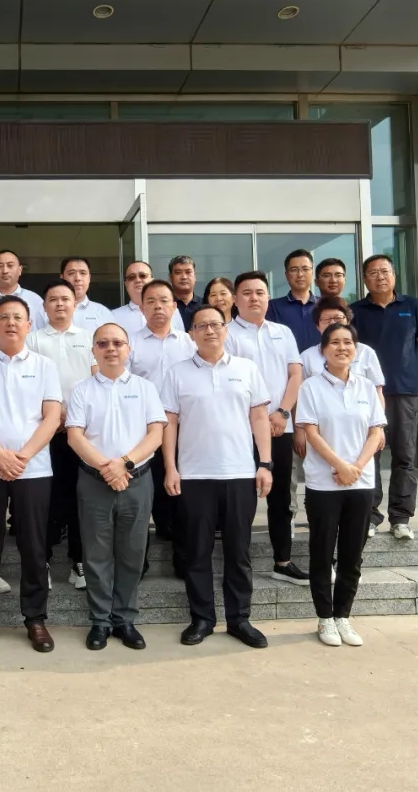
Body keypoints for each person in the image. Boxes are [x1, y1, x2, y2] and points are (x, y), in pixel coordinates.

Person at [162, 304, 274, 649]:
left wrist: (265, 463)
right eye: (202, 326)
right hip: (194, 475)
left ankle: (239, 619)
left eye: (216, 324)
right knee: (196, 551)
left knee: (239, 552)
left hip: (239, 473)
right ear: (191, 333)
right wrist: (171, 467)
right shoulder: (177, 372)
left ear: (226, 329)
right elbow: (169, 423)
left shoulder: (246, 368)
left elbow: (259, 418)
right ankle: (202, 618)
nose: (210, 331)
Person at [0, 295, 62, 654]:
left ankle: (35, 619)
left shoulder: (45, 366)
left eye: (18, 317)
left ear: (29, 325)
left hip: (33, 469)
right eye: (3, 317)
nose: (11, 323)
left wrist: (22, 456)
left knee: (34, 546)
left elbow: (52, 416)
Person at [66, 322, 165, 651]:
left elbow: (156, 434)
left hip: (136, 480)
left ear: (128, 349)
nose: (111, 349)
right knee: (96, 554)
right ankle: (100, 620)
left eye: (118, 343)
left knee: (132, 552)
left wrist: (124, 464)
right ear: (93, 350)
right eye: (103, 343)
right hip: (94, 482)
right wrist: (107, 469)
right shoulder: (82, 390)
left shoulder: (145, 388)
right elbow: (75, 436)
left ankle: (124, 619)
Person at [297, 323, 385, 647]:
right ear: (323, 350)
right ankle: (325, 618)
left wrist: (356, 468)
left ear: (355, 349)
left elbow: (376, 431)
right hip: (324, 484)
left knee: (352, 554)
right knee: (322, 553)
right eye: (334, 342)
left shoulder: (366, 387)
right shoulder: (310, 387)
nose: (342, 347)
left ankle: (343, 617)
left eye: (348, 342)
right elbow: (311, 432)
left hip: (360, 483)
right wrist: (340, 466)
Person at [225, 271, 308, 586]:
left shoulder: (282, 332)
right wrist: (258, 418)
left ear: (268, 297)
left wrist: (283, 413)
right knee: (241, 500)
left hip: (280, 427)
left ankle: (282, 561)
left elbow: (295, 375)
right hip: (242, 429)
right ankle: (238, 564)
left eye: (260, 292)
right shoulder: (227, 334)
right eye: (246, 292)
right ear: (235, 299)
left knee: (281, 497)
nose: (254, 298)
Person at [350, 255, 418, 539]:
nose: (380, 277)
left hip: (404, 391)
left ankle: (401, 518)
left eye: (385, 271)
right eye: (373, 273)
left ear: (394, 275)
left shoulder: (413, 307)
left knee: (404, 456)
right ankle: (370, 515)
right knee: (368, 454)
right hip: (366, 394)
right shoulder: (355, 311)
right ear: (365, 279)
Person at [27, 279, 96, 590]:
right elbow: (27, 384)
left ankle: (79, 562)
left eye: (65, 299)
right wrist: (53, 415)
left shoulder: (89, 337)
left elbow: (96, 381)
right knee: (47, 499)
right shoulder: (32, 339)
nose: (59, 304)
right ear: (44, 306)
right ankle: (42, 561)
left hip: (82, 432)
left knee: (81, 498)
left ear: (75, 303)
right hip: (45, 432)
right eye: (52, 299)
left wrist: (75, 416)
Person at [128, 279, 194, 569]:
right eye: (151, 301)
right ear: (141, 307)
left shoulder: (189, 343)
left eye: (164, 300)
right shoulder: (130, 343)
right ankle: (137, 564)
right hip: (141, 433)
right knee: (142, 499)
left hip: (183, 432)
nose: (158, 306)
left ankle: (183, 559)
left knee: (182, 499)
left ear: (174, 306)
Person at [0, 250, 44, 346]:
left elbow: (44, 335)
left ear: (20, 270)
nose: (5, 271)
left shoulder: (36, 300)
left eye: (10, 265)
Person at [267, 249, 319, 352]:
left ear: (312, 272)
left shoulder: (325, 305)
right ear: (286, 274)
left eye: (305, 269)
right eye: (294, 270)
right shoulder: (272, 307)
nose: (300, 274)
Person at [49, 257, 112, 334]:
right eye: (71, 273)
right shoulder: (46, 312)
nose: (78, 278)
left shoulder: (103, 313)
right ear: (62, 278)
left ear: (89, 278)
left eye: (83, 273)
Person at [168, 255, 200, 330]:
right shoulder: (165, 305)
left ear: (195, 276)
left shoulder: (206, 304)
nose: (184, 277)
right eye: (178, 273)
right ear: (170, 277)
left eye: (188, 272)